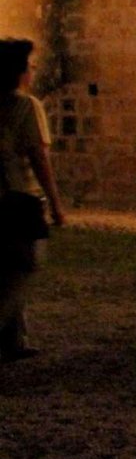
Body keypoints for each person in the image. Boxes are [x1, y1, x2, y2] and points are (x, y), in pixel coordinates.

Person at [0, 39, 66, 362]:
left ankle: (14, 339)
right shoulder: (27, 107)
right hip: (17, 199)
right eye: (29, 65)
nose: (33, 70)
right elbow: (39, 157)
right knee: (21, 268)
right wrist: (55, 203)